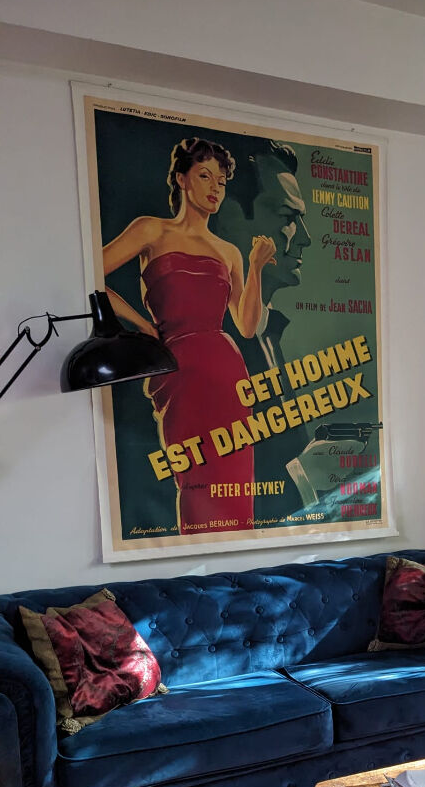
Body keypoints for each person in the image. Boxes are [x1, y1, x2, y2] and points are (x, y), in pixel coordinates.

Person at [102, 136, 277, 534]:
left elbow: (247, 326)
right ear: (182, 179)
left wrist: (255, 268)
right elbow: (89, 273)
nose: (215, 187)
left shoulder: (229, 252)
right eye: (205, 176)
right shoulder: (151, 229)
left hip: (228, 375)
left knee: (234, 488)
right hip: (177, 373)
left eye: (222, 181)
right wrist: (142, 326)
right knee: (195, 486)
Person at [213, 140, 312, 510]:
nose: (305, 238)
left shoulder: (267, 333)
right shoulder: (212, 344)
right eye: (287, 217)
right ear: (230, 219)